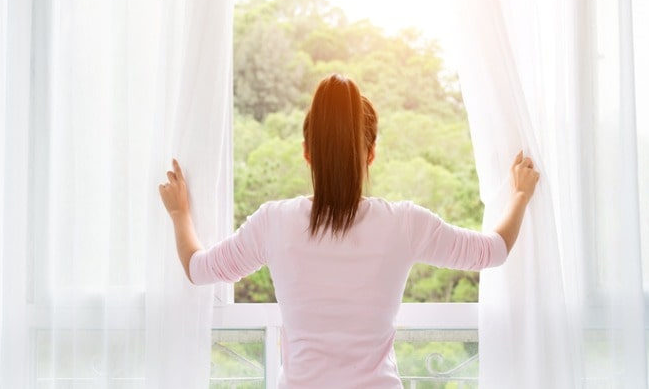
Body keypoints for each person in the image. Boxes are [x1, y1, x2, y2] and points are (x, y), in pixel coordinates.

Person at [158, 74, 540, 388]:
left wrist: (180, 213)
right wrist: (520, 195)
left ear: (307, 152)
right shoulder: (403, 223)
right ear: (371, 153)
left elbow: (198, 268)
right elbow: (494, 250)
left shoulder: (273, 222)